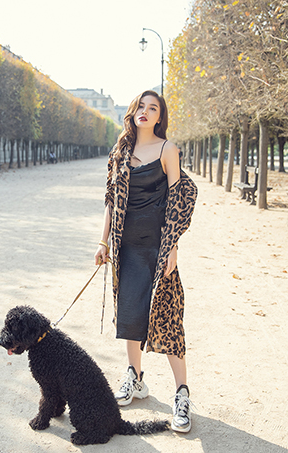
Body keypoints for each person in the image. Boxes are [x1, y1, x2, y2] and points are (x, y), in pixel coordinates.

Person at [94, 90, 197, 433]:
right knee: (130, 315)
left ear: (159, 117)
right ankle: (135, 378)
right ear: (133, 111)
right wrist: (103, 241)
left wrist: (173, 247)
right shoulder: (119, 152)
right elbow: (110, 199)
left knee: (168, 319)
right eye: (141, 106)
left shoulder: (168, 150)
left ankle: (182, 394)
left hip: (157, 247)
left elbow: (177, 201)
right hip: (126, 248)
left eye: (153, 108)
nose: (145, 111)